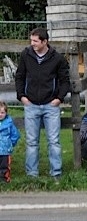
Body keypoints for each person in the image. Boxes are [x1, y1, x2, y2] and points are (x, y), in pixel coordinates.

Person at [14, 27, 70, 181]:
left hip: (51, 105)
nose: (32, 44)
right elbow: (19, 76)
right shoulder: (26, 55)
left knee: (54, 141)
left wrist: (59, 98)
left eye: (35, 41)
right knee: (31, 142)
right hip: (31, 104)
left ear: (45, 42)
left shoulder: (57, 59)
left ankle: (56, 174)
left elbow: (65, 81)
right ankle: (32, 175)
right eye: (31, 40)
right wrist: (22, 96)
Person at [0, 101, 21, 183]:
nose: (0, 114)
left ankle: (4, 179)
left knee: (4, 166)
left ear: (6, 113)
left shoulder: (9, 124)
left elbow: (15, 135)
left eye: (2, 112)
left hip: (5, 150)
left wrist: (11, 143)